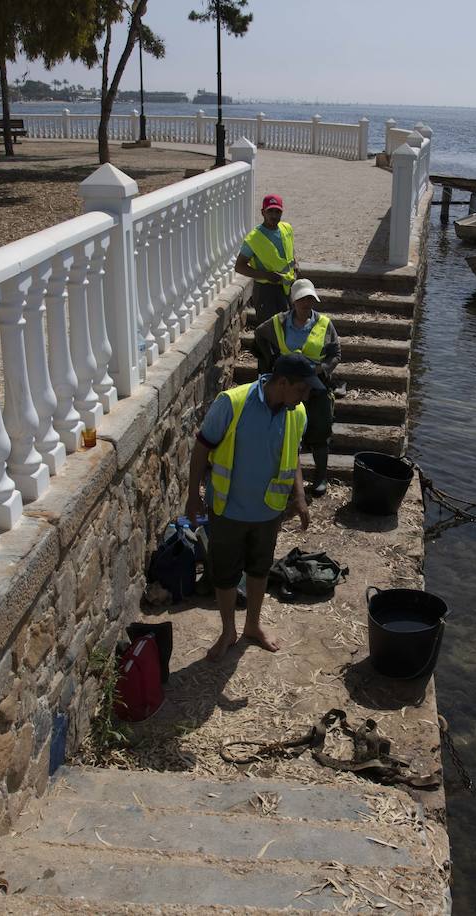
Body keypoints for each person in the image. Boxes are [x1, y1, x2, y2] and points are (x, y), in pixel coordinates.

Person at [185, 354, 318, 661]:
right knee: (226, 574)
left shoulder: (296, 412)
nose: (305, 397)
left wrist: (299, 497)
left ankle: (253, 627)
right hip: (227, 510)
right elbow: (201, 447)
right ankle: (228, 630)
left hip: (268, 512)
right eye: (302, 389)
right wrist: (193, 495)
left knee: (259, 570)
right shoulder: (231, 403)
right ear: (282, 383)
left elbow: (293, 455)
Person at [253, 278, 340, 497]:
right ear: (293, 301)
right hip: (288, 387)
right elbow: (259, 337)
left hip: (315, 386)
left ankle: (320, 477)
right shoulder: (278, 323)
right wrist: (271, 363)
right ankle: (288, 479)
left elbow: (336, 353)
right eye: (302, 300)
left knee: (320, 429)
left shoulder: (324, 324)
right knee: (287, 432)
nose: (307, 304)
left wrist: (322, 370)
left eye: (310, 299)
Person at [234, 193, 296, 314]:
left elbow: (290, 248)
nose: (274, 215)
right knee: (269, 329)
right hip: (265, 291)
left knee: (286, 327)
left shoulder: (287, 228)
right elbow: (239, 267)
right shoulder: (253, 238)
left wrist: (295, 263)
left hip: (286, 287)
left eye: (277, 211)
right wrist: (266, 275)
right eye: (270, 211)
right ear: (263, 212)